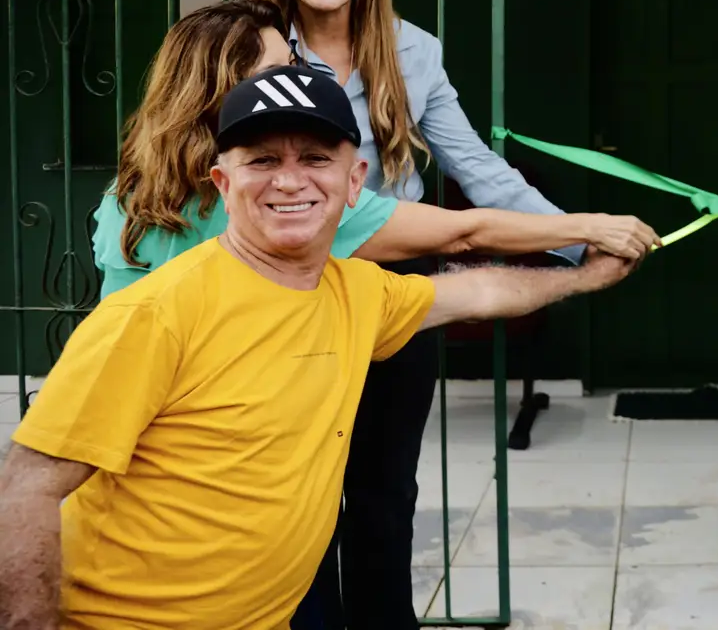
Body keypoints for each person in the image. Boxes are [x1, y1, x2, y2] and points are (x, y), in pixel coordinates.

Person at [0, 65, 646, 630]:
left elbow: (479, 291)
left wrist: (582, 277)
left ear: (354, 179)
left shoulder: (358, 293)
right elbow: (24, 491)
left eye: (314, 158)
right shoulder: (154, 315)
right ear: (222, 182)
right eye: (262, 160)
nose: (289, 181)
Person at [249, 0, 605, 628]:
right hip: (287, 288)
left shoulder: (414, 51)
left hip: (394, 285)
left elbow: (477, 169)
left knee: (384, 492)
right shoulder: (251, 47)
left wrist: (579, 238)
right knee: (295, 492)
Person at [92, 0, 657, 299]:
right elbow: (464, 232)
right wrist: (589, 230)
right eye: (275, 73)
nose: (295, 80)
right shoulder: (286, 200)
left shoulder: (127, 193)